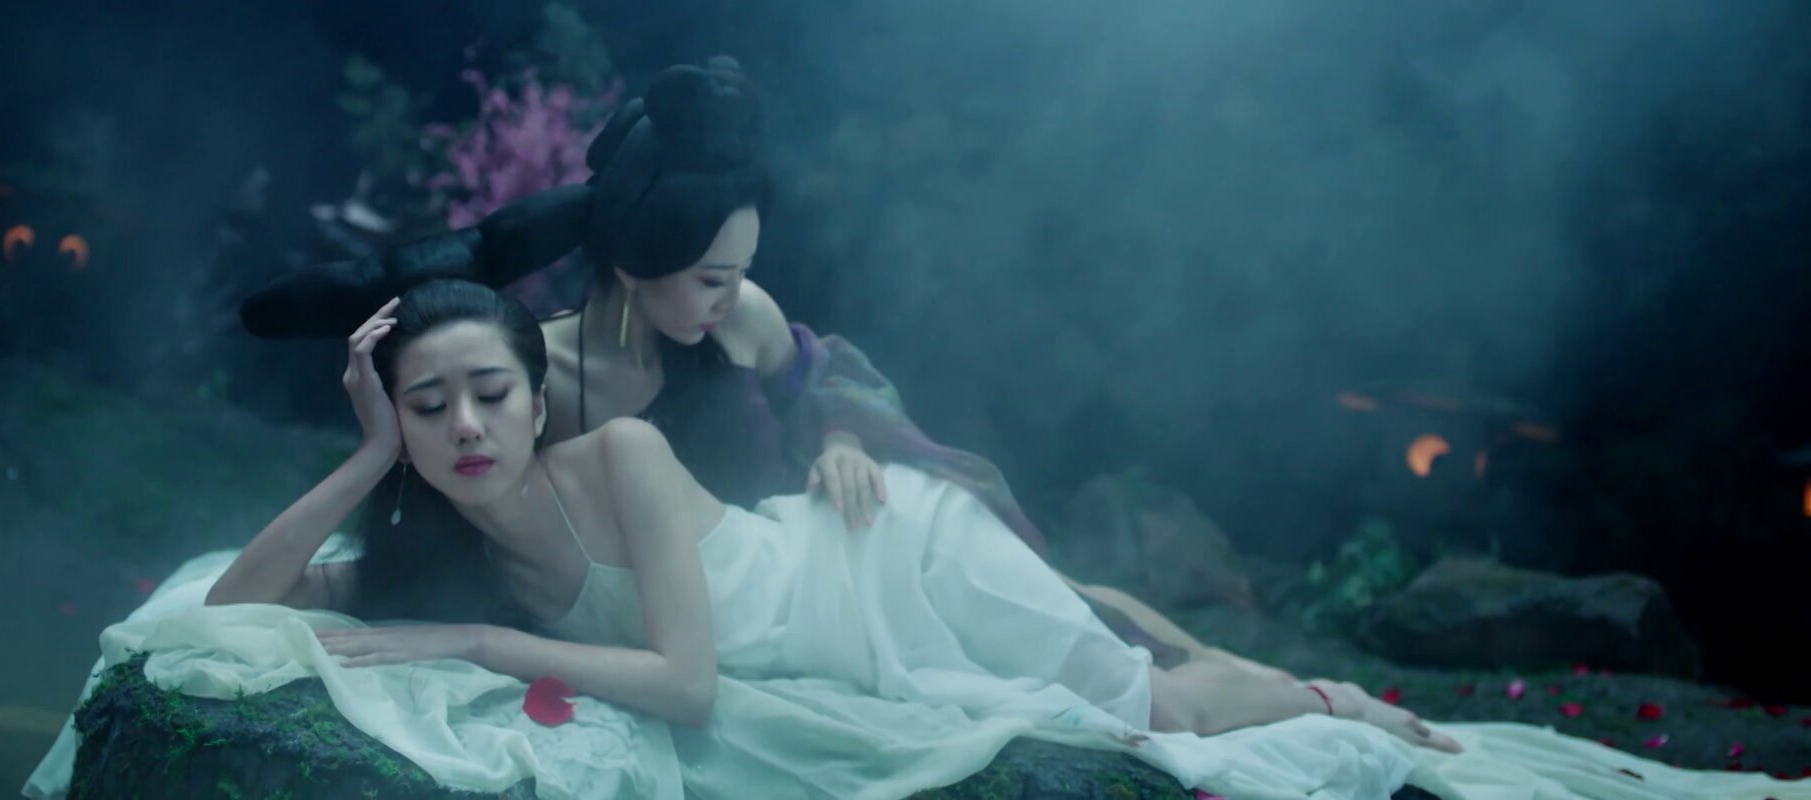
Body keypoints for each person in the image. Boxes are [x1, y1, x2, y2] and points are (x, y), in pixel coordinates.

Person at [181, 280, 1797, 800]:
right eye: (430, 408)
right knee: (1137, 693)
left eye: (488, 393)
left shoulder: (622, 454)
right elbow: (220, 610)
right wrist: (365, 455)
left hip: (889, 566)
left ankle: (1333, 701)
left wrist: (477, 643)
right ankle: (1247, 669)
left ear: (538, 394)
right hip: (840, 632)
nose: (467, 426)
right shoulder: (434, 525)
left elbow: (685, 682)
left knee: (1155, 709)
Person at [238, 54, 1288, 682]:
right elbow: (502, 512)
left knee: (1092, 625)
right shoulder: (535, 378)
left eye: (738, 273)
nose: (727, 295)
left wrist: (839, 439)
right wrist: (383, 462)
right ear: (637, 259)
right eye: (708, 275)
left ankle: (1264, 681)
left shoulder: (740, 316)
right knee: (1089, 648)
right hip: (708, 611)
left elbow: (828, 382)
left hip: (816, 556)